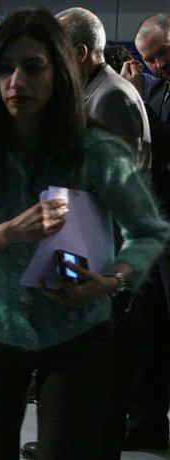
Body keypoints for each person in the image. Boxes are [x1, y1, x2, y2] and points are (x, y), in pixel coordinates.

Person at [0, 9, 169, 460]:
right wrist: (4, 234)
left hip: (78, 329)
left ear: (61, 71)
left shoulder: (96, 149)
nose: (18, 81)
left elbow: (148, 231)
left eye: (33, 67)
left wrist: (112, 280)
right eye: (5, 68)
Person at [119, 13, 170, 452]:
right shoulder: (153, 87)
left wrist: (138, 100)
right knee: (148, 332)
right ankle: (148, 422)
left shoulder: (150, 92)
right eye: (149, 59)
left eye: (163, 53)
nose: (157, 64)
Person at [56, 8, 152, 176]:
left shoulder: (111, 97)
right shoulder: (98, 90)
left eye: (55, 51)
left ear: (80, 53)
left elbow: (116, 177)